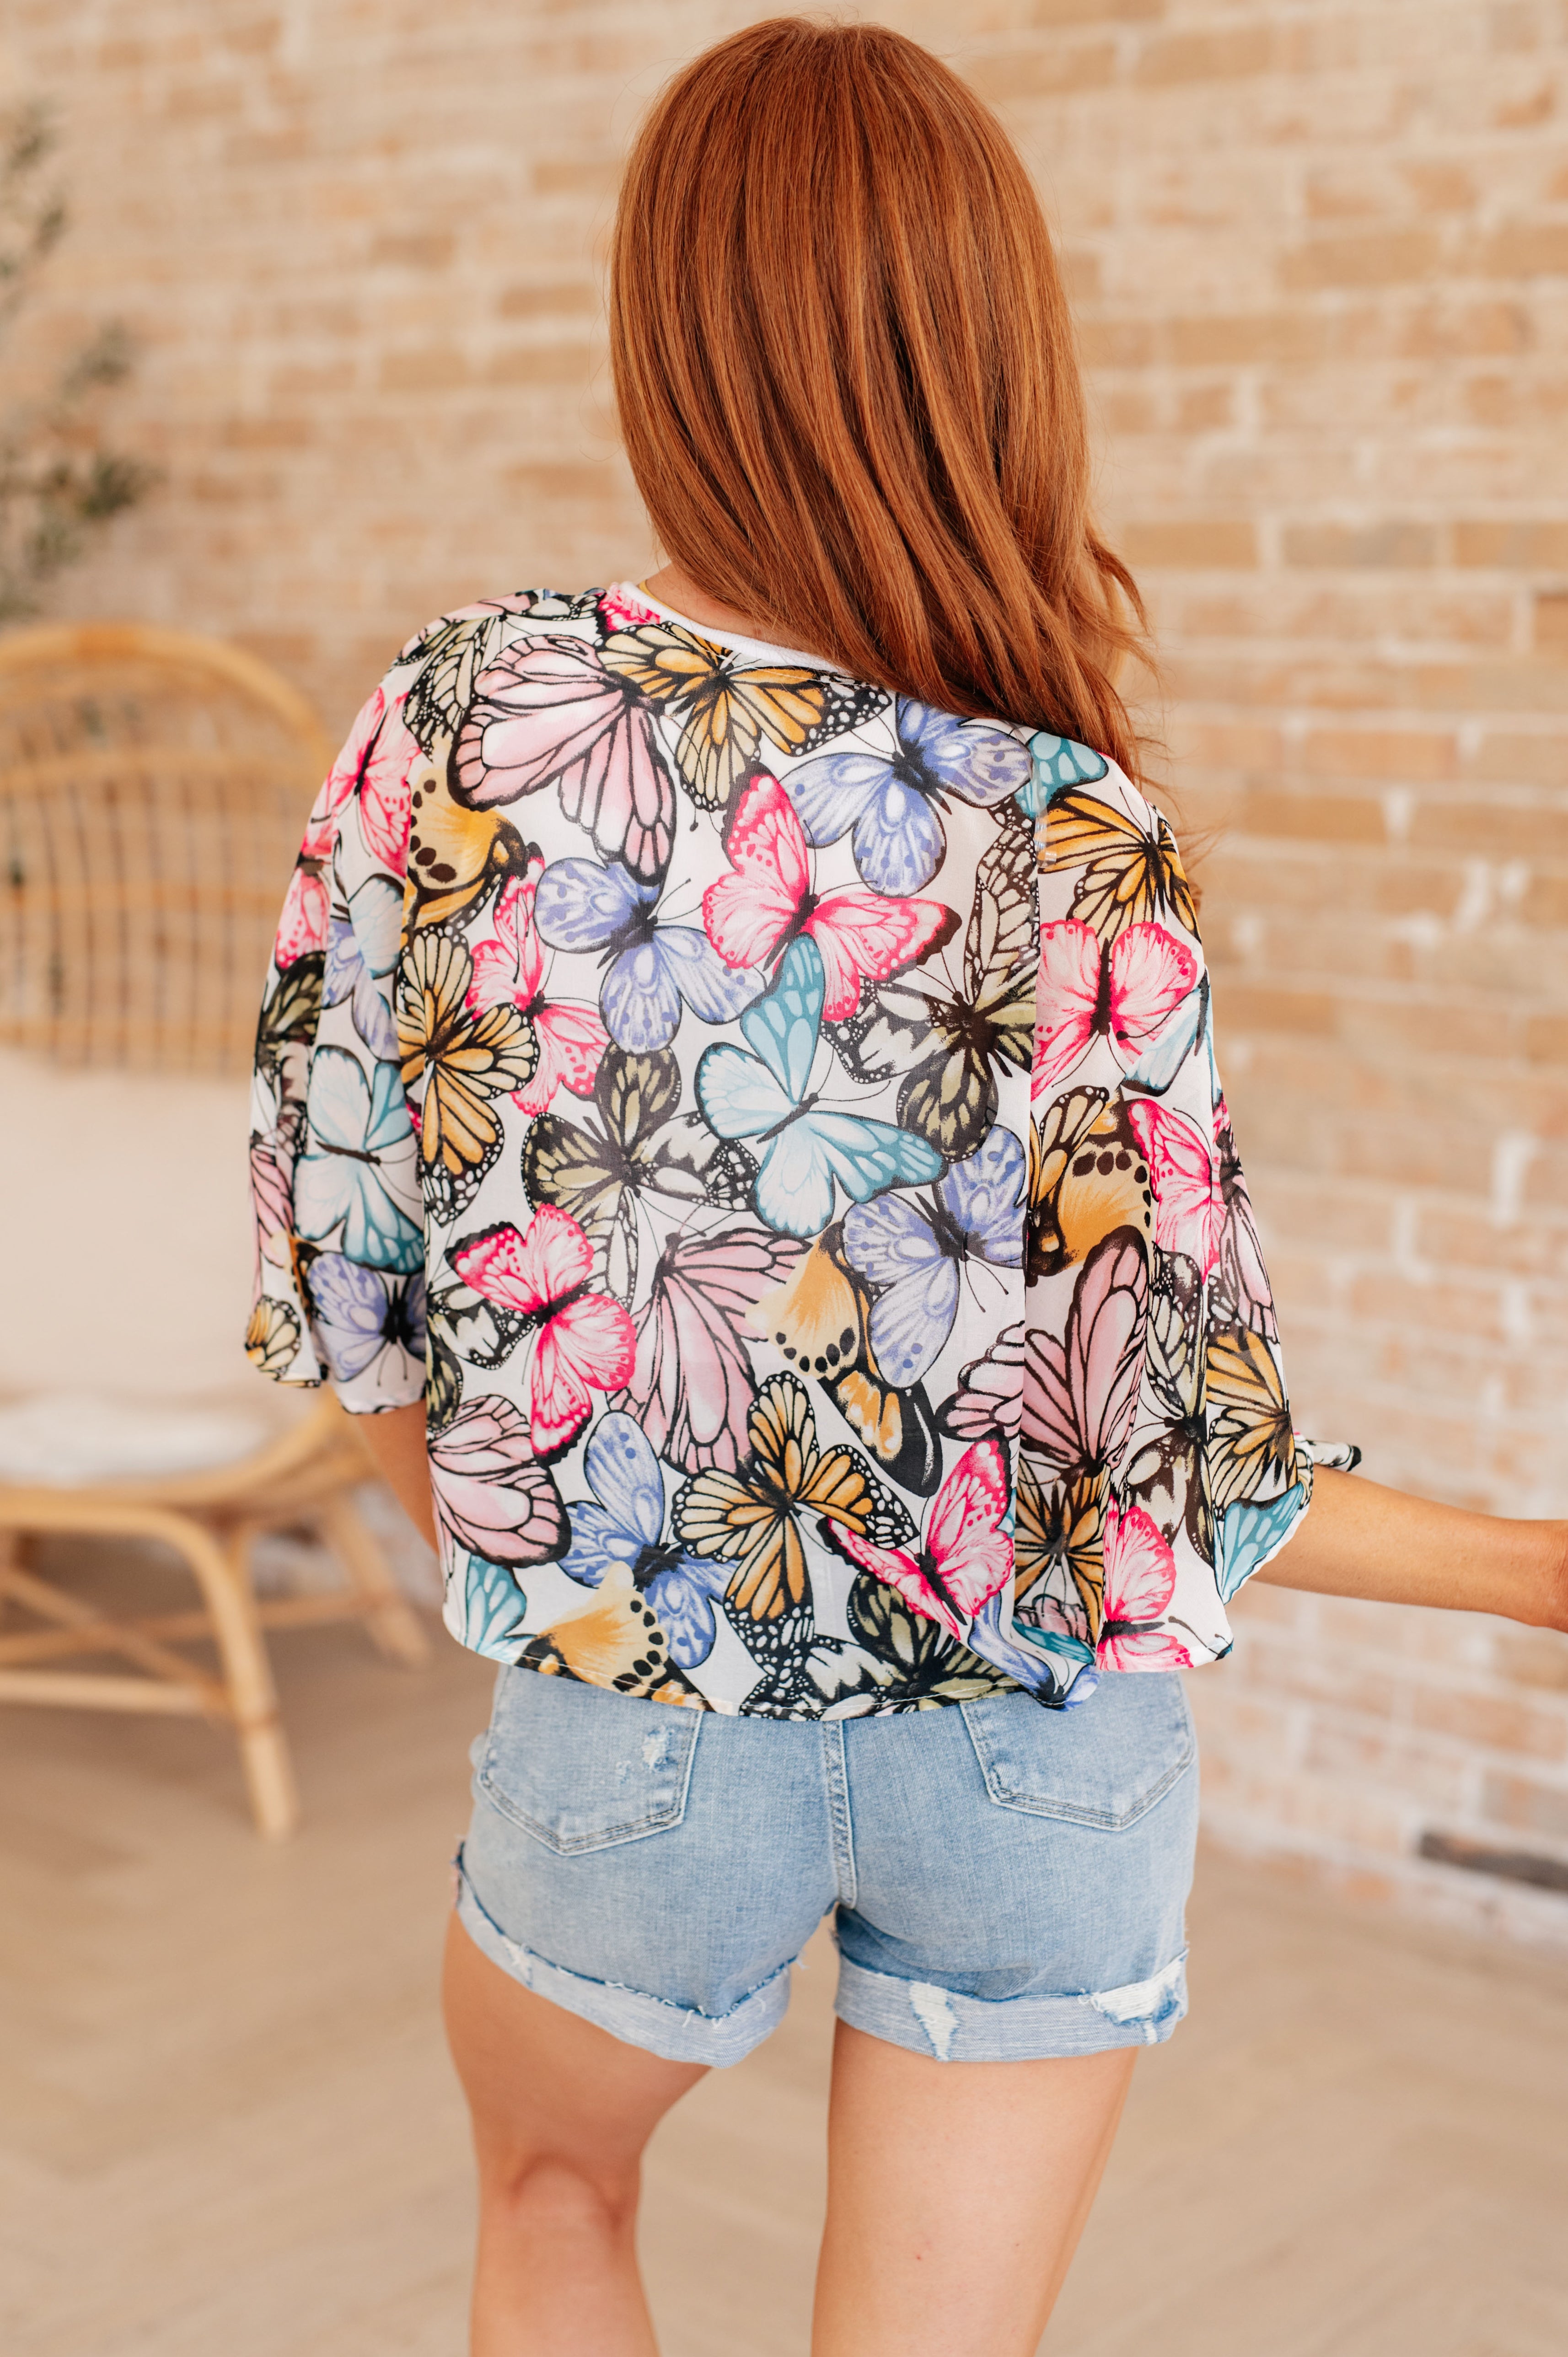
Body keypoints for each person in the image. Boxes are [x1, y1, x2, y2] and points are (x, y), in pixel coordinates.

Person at [244, 20, 1568, 2355]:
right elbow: (1179, 1455)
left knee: (552, 2195)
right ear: (991, 351)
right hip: (1044, 1755)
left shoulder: (467, 718)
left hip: (640, 1709)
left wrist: (538, 1569)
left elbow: (340, 1281)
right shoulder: (1078, 818)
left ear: (670, 335)